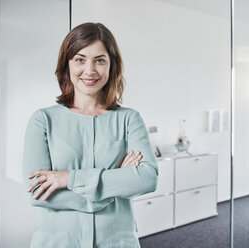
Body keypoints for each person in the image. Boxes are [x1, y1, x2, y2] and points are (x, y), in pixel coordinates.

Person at [22, 22, 158, 248]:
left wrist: (69, 179)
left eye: (100, 60)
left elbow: (147, 178)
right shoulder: (43, 120)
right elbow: (36, 191)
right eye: (80, 59)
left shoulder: (129, 119)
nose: (90, 70)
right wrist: (113, 184)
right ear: (66, 64)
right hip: (57, 242)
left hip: (117, 241)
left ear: (112, 65)